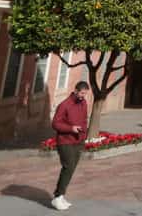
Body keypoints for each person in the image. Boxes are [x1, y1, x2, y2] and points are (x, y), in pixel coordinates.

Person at [50, 81, 90, 211]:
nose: (83, 96)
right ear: (76, 90)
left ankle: (61, 196)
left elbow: (84, 119)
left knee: (71, 168)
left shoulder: (83, 103)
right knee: (68, 166)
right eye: (82, 93)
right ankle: (57, 197)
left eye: (85, 94)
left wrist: (83, 134)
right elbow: (55, 124)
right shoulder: (64, 105)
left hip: (78, 141)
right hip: (65, 141)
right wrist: (71, 128)